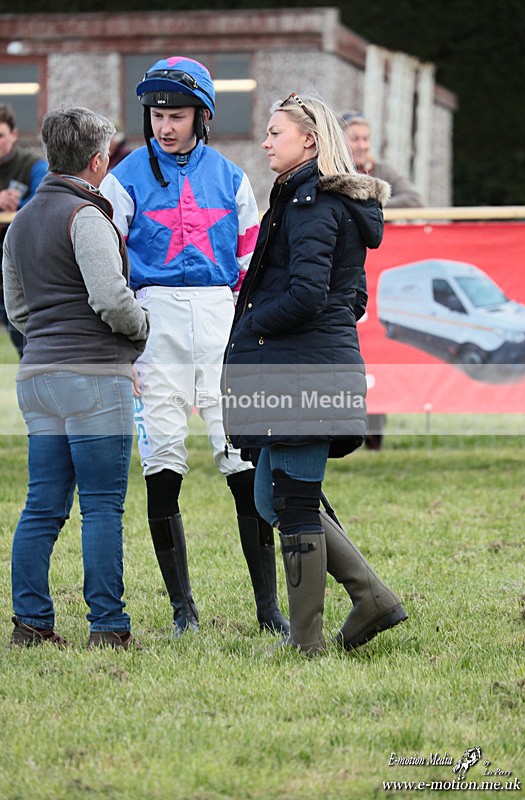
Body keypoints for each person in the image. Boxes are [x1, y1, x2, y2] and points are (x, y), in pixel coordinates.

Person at [100, 56, 288, 638]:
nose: (164, 125)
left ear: (202, 116)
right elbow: (108, 262)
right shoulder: (121, 178)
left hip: (218, 319)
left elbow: (250, 262)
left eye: (176, 115)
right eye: (157, 114)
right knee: (163, 464)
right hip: (151, 323)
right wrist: (122, 347)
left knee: (242, 463)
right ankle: (184, 611)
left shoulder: (233, 178)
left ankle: (268, 610)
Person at [223, 92, 408, 655]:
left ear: (309, 139)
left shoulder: (312, 204)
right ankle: (371, 596)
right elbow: (350, 297)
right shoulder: (309, 199)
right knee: (268, 498)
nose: (265, 141)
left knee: (294, 503)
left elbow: (309, 295)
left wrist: (253, 321)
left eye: (274, 132)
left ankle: (306, 644)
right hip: (302, 366)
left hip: (306, 373)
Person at [2, 106, 149, 650]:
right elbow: (112, 300)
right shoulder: (86, 216)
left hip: (37, 374)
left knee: (42, 504)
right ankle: (108, 627)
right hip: (92, 375)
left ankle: (32, 623)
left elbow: (16, 309)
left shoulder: (19, 223)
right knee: (102, 506)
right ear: (97, 160)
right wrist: (140, 330)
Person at [341, 111, 423, 450]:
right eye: (355, 138)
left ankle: (375, 433)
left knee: (379, 352)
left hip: (379, 271)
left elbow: (414, 199)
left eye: (365, 138)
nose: (361, 145)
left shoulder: (382, 172)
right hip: (346, 269)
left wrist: (369, 201)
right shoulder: (334, 170)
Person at [0, 103, 48, 358]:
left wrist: (15, 206)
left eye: (0, 136)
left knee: (28, 344)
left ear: (14, 135)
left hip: (18, 267)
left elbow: (42, 201)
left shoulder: (32, 165)